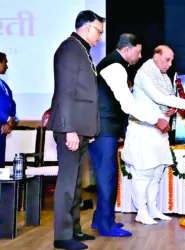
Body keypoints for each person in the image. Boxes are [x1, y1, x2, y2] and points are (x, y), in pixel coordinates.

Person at [88, 34, 170, 236]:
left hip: (107, 128)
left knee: (106, 176)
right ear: (126, 49)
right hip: (103, 127)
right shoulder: (115, 66)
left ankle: (101, 220)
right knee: (107, 176)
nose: (140, 56)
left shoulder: (115, 65)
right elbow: (127, 103)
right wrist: (155, 119)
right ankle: (106, 225)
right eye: (138, 51)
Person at [122, 45, 185, 225]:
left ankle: (152, 208)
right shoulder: (144, 74)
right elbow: (159, 97)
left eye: (172, 60)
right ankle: (141, 211)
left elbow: (163, 102)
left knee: (157, 173)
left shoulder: (163, 77)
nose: (170, 64)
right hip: (143, 131)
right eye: (167, 59)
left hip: (159, 132)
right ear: (156, 56)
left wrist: (169, 110)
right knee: (144, 173)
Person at [48, 10, 105, 250]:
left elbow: (86, 96)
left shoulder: (82, 50)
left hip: (81, 130)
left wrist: (91, 129)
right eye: (98, 31)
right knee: (67, 183)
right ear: (86, 27)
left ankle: (74, 230)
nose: (100, 37)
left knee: (75, 185)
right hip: (70, 129)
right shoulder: (70, 49)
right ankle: (62, 236)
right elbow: (65, 92)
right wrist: (69, 129)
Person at [0, 52, 18, 168]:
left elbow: (12, 105)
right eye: (5, 63)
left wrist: (12, 120)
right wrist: (5, 119)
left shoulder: (4, 85)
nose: (7, 66)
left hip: (2, 132)